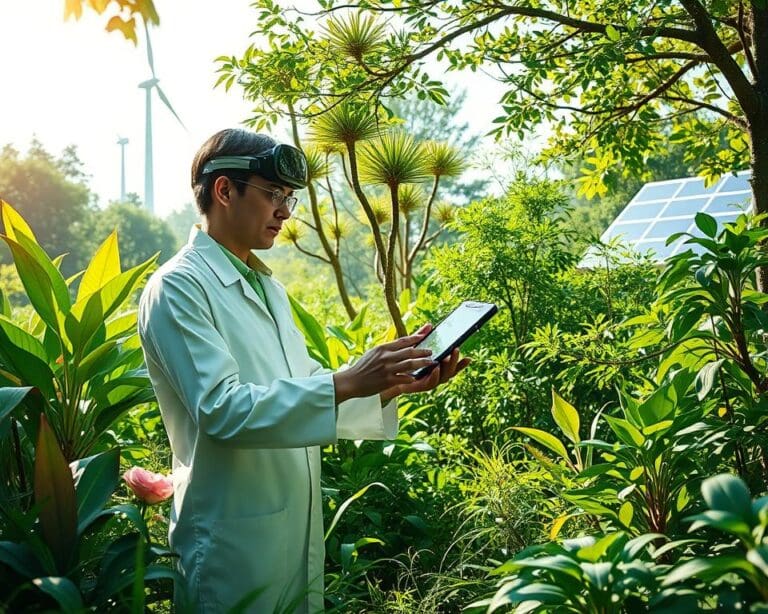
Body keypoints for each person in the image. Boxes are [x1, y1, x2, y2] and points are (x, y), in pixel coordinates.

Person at [137, 128, 468, 613]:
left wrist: (388, 384)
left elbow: (304, 386)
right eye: (273, 194)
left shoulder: (269, 287)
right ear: (225, 191)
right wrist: (351, 378)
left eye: (288, 197)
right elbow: (222, 410)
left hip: (289, 528)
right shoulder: (179, 287)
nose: (285, 211)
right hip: (231, 543)